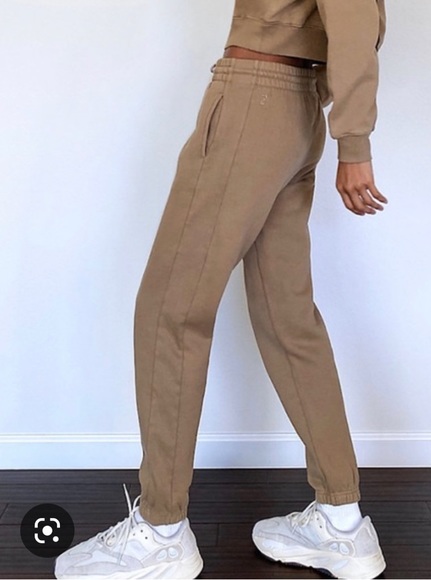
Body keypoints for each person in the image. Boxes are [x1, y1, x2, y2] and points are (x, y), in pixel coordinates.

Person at [54, 0, 388, 578]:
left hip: (256, 98)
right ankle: (341, 522)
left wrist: (354, 141)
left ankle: (160, 531)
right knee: (288, 319)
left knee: (170, 310)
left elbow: (356, 12)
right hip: (295, 102)